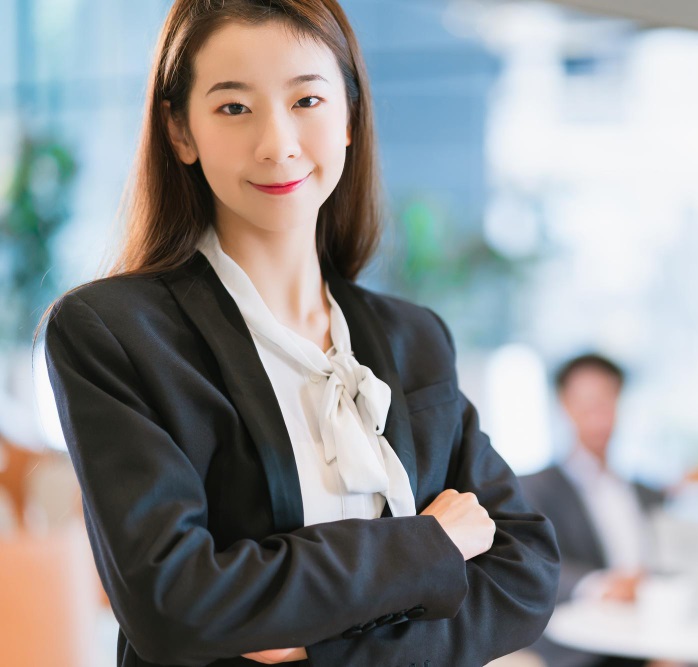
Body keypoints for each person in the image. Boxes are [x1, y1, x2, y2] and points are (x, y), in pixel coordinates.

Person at [40, 1, 559, 665]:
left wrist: (314, 650)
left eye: (306, 100)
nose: (277, 143)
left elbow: (525, 569)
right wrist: (428, 545)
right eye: (234, 107)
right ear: (180, 131)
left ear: (349, 117)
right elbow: (175, 604)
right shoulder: (115, 334)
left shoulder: (414, 338)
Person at [520, 354, 664, 667]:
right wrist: (604, 586)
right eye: (588, 403)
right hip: (585, 646)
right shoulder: (535, 489)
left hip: (651, 632)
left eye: (607, 402)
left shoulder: (648, 493)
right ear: (565, 406)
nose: (599, 416)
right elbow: (531, 562)